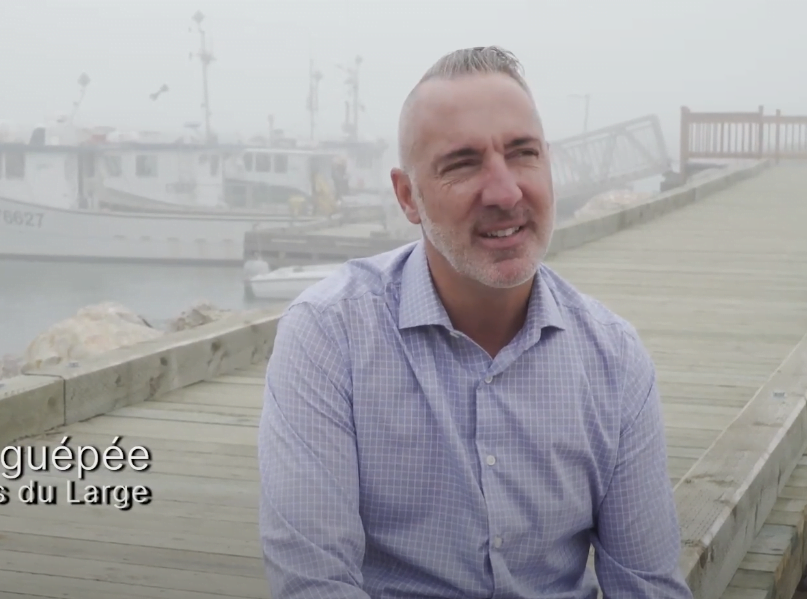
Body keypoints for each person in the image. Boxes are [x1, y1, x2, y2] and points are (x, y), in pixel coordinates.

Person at [257, 46, 693, 599]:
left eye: (523, 153)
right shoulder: (328, 337)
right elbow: (314, 585)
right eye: (462, 164)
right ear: (406, 196)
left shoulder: (615, 358)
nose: (506, 192)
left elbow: (647, 586)